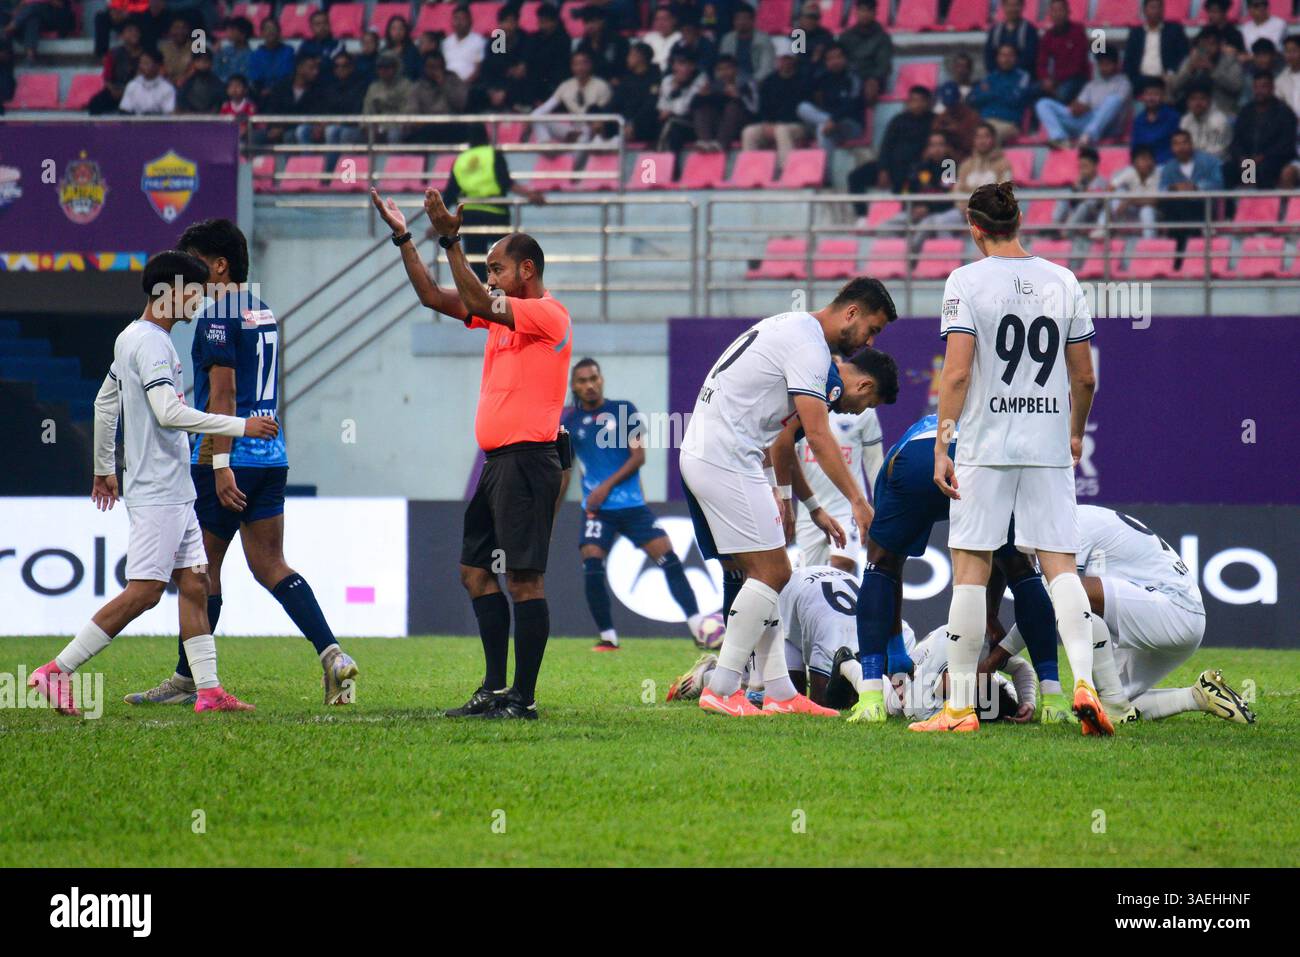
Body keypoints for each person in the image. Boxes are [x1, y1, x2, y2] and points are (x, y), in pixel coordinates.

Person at [28, 251, 276, 717]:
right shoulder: (153, 345)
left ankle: (208, 690)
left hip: (173, 487)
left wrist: (104, 467)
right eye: (196, 291)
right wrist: (240, 425)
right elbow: (168, 413)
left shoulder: (131, 338)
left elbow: (105, 402)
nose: (200, 301)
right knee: (143, 592)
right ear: (171, 290)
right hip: (158, 490)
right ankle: (56, 670)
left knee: (196, 583)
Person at [372, 188, 572, 720]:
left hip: (529, 461)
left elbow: (480, 301)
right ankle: (493, 687)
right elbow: (435, 298)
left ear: (526, 271)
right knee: (473, 571)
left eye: (497, 268)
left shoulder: (549, 315)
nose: (489, 277)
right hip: (497, 466)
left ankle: (523, 698)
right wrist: (404, 238)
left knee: (525, 579)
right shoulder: (500, 317)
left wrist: (452, 239)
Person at [919, 181, 1102, 735]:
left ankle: (958, 709)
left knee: (971, 572)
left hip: (984, 445)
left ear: (975, 229)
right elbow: (1085, 377)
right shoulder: (1064, 280)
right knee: (1061, 568)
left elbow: (955, 373)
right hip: (1046, 445)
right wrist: (1073, 433)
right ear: (1019, 221)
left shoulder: (965, 281)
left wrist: (942, 443)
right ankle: (1084, 682)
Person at [680, 278, 896, 718]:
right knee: (773, 571)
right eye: (871, 329)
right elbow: (815, 433)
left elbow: (783, 435)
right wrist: (857, 500)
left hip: (723, 454)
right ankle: (722, 686)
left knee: (770, 573)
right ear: (851, 312)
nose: (869, 341)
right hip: (724, 457)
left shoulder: (795, 328)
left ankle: (779, 690)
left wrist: (788, 494)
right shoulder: (810, 347)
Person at [986, 506, 1255, 726]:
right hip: (1179, 618)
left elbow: (1047, 602)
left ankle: (1114, 702)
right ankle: (1198, 696)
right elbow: (1005, 570)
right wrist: (991, 621)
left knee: (1068, 592)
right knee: (1106, 705)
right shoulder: (1061, 520)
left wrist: (994, 660)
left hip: (1173, 612)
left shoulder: (1065, 529)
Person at [559, 358, 706, 651]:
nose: (589, 385)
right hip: (596, 510)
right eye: (582, 381)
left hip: (631, 506)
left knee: (669, 560)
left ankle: (699, 628)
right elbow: (566, 469)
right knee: (592, 563)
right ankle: (608, 637)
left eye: (594, 378)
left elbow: (638, 457)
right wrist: (552, 509)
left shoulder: (622, 410)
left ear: (601, 380)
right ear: (574, 386)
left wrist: (605, 487)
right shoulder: (569, 422)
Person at [770, 351, 898, 574]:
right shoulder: (817, 393)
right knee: (791, 577)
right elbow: (785, 447)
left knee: (841, 568)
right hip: (808, 507)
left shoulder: (849, 411)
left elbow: (875, 463)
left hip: (843, 507)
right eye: (868, 403)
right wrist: (788, 498)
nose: (861, 411)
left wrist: (871, 505)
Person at [441, 124, 545, 281]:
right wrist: (531, 195)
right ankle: (502, 299)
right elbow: (506, 183)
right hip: (496, 215)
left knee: (476, 268)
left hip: (470, 218)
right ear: (487, 136)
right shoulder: (493, 154)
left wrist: (437, 225)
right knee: (504, 263)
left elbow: (450, 193)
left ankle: (484, 300)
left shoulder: (461, 159)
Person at [1035, 47, 1131, 148]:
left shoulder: (1124, 83)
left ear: (1116, 64)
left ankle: (1088, 137)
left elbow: (1114, 107)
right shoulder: (1092, 85)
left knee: (1113, 100)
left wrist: (1089, 108)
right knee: (1043, 103)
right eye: (1101, 64)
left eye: (1107, 64)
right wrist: (1076, 108)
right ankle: (1060, 138)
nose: (1104, 68)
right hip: (1085, 122)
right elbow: (1079, 105)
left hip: (1109, 126)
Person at [1227, 70, 1299, 188]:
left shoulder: (1284, 112)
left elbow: (1286, 145)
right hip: (1248, 160)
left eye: (1264, 87)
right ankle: (1233, 206)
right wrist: (1242, 157)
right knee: (1228, 169)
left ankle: (1264, 206)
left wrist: (1262, 157)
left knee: (1264, 169)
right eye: (1256, 87)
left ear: (1272, 88)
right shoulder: (1246, 111)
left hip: (1274, 159)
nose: (1259, 91)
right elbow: (1236, 141)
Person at [739, 49, 808, 163]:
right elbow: (763, 106)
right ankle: (751, 170)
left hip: (796, 125)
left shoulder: (803, 80)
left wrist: (777, 124)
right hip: (772, 124)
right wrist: (767, 122)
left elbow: (800, 108)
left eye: (787, 59)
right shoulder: (769, 81)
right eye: (781, 59)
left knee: (781, 130)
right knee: (749, 132)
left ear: (793, 61)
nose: (784, 62)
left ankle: (787, 170)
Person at [1159, 129, 1224, 248]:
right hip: (1178, 214)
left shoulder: (1209, 161)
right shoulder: (1168, 168)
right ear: (1172, 147)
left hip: (1203, 209)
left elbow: (1218, 184)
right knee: (1174, 208)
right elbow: (1161, 190)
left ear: (1191, 144)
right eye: (1176, 144)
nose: (1181, 147)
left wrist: (1196, 187)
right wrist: (1174, 187)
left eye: (1184, 143)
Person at [532, 49, 613, 144]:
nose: (580, 67)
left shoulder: (601, 86)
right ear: (571, 67)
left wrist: (583, 131)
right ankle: (548, 147)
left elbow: (600, 119)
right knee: (536, 117)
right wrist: (530, 118)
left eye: (583, 63)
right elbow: (545, 108)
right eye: (576, 64)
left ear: (590, 65)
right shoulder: (565, 86)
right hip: (573, 131)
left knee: (584, 137)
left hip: (592, 132)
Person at [796, 42, 864, 151]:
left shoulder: (853, 77)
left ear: (845, 58)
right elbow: (805, 90)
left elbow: (852, 103)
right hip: (829, 121)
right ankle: (825, 166)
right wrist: (814, 64)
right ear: (826, 62)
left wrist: (834, 120)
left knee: (822, 128)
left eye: (838, 57)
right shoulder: (824, 77)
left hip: (850, 123)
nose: (835, 61)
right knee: (802, 108)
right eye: (831, 59)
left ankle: (825, 168)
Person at [969, 41, 1033, 144]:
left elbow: (1015, 99)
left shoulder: (1023, 76)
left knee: (986, 137)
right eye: (1003, 55)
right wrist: (1003, 92)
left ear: (1016, 58)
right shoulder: (990, 77)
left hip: (1009, 123)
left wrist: (990, 93)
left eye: (1010, 55)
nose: (1006, 59)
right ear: (997, 58)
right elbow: (974, 99)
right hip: (985, 121)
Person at [1171, 26, 1244, 118]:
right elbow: (1174, 87)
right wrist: (1190, 70)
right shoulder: (1191, 61)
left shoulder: (1231, 61)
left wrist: (1213, 70)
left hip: (1223, 111)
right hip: (1193, 113)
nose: (1207, 48)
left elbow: (1236, 87)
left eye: (1211, 44)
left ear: (1220, 45)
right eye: (1203, 44)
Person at [691, 52, 755, 151]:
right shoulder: (713, 86)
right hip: (719, 126)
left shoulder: (746, 84)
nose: (724, 72)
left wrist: (739, 97)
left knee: (733, 107)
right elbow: (693, 107)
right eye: (720, 69)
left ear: (736, 69)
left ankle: (720, 144)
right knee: (703, 108)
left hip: (742, 125)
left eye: (728, 68)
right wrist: (700, 96)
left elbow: (755, 109)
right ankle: (705, 142)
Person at [1122, 0, 1189, 91]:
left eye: (1159, 7)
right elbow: (1128, 60)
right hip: (1140, 81)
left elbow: (1183, 55)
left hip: (1166, 80)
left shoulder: (1175, 30)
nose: (1156, 11)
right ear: (1144, 10)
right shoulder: (1135, 33)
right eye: (1153, 7)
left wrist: (1171, 72)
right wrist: (1134, 79)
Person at [1035, 0, 1090, 105]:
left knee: (1061, 95)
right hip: (1054, 80)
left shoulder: (1078, 31)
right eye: (1054, 11)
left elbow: (1077, 64)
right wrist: (1045, 78)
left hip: (1076, 78)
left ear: (1068, 12)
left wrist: (1055, 81)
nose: (1057, 14)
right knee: (1030, 92)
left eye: (1060, 10)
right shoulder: (1048, 35)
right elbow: (1041, 63)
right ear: (1050, 14)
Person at [839, 0, 890, 107]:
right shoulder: (846, 36)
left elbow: (883, 66)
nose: (865, 14)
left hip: (871, 79)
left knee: (868, 87)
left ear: (875, 13)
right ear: (856, 12)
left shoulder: (882, 37)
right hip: (848, 76)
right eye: (862, 10)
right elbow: (841, 60)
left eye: (869, 11)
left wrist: (872, 79)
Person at [88, 19, 144, 114]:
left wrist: (126, 92)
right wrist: (113, 90)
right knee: (95, 103)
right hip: (116, 91)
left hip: (137, 92)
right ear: (122, 35)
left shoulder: (145, 54)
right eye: (130, 31)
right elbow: (107, 77)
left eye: (136, 31)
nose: (134, 33)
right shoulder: (113, 53)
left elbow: (141, 78)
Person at [1053, 145, 1108, 233]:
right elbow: (1073, 202)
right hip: (1078, 216)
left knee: (1084, 206)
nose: (1082, 170)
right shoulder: (1081, 181)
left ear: (1095, 166)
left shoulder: (1101, 182)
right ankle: (1054, 226)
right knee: (1065, 195)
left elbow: (1092, 203)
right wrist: (1076, 187)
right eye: (1081, 167)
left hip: (1094, 216)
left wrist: (1080, 192)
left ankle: (1065, 233)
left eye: (1085, 166)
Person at [1110, 144, 1161, 238]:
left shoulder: (1158, 173)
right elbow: (1111, 187)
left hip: (1155, 212)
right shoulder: (1130, 171)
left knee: (1146, 210)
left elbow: (1154, 201)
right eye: (1144, 159)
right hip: (1133, 211)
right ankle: (1108, 231)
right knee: (1118, 194)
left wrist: (1130, 200)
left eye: (1150, 159)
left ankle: (1149, 243)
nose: (1148, 162)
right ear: (1134, 163)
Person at [3, 0, 75, 63]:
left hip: (59, 18)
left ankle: (10, 27)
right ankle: (30, 56)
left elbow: (59, 4)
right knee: (33, 19)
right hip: (40, 18)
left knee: (35, 7)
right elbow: (20, 7)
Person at [718, 2, 773, 83]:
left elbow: (766, 68)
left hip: (756, 82)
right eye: (738, 19)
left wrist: (751, 83)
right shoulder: (727, 39)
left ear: (753, 20)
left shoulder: (763, 39)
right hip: (732, 81)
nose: (741, 22)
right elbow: (723, 65)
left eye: (745, 18)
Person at [1130, 76, 1181, 163]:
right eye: (1148, 94)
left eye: (1155, 94)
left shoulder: (1173, 118)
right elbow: (1135, 147)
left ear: (1163, 96)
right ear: (1142, 97)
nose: (1151, 98)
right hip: (1142, 166)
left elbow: (1177, 147)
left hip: (1165, 165)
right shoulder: (1138, 120)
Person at [984, 0, 1037, 76]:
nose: (1012, 9)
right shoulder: (995, 31)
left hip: (1022, 77)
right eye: (1009, 5)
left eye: (1016, 5)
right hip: (998, 77)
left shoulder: (1030, 31)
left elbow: (1029, 58)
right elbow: (989, 57)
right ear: (1003, 6)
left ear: (1022, 6)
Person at [1180, 81, 1231, 160]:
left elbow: (1218, 153)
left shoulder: (1219, 121)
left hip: (1216, 166)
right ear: (1187, 102)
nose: (1198, 103)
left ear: (1209, 100)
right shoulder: (1185, 120)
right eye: (1193, 99)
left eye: (1202, 98)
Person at [248, 16, 295, 101]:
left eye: (273, 28)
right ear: (261, 33)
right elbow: (255, 78)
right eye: (267, 29)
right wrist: (263, 90)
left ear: (279, 32)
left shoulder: (288, 51)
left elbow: (288, 75)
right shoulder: (256, 54)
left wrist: (273, 90)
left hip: (283, 93)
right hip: (262, 94)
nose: (270, 31)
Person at [120, 51, 177, 115]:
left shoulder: (167, 88)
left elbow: (169, 113)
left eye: (146, 63)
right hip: (135, 123)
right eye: (141, 63)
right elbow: (125, 110)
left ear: (157, 66)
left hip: (158, 124)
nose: (142, 66)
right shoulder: (132, 85)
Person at [441, 3, 486, 83]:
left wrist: (463, 85)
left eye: (462, 19)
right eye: (456, 19)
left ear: (470, 21)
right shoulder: (446, 42)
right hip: (447, 85)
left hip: (469, 85)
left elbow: (478, 70)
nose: (459, 22)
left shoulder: (479, 41)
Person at [641, 5, 682, 73]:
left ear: (674, 20)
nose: (660, 23)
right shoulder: (649, 37)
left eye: (664, 19)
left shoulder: (680, 38)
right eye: (657, 19)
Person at [213, 15, 253, 83]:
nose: (229, 33)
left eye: (233, 30)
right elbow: (216, 71)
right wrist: (216, 54)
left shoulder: (251, 55)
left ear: (243, 33)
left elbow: (247, 79)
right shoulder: (225, 51)